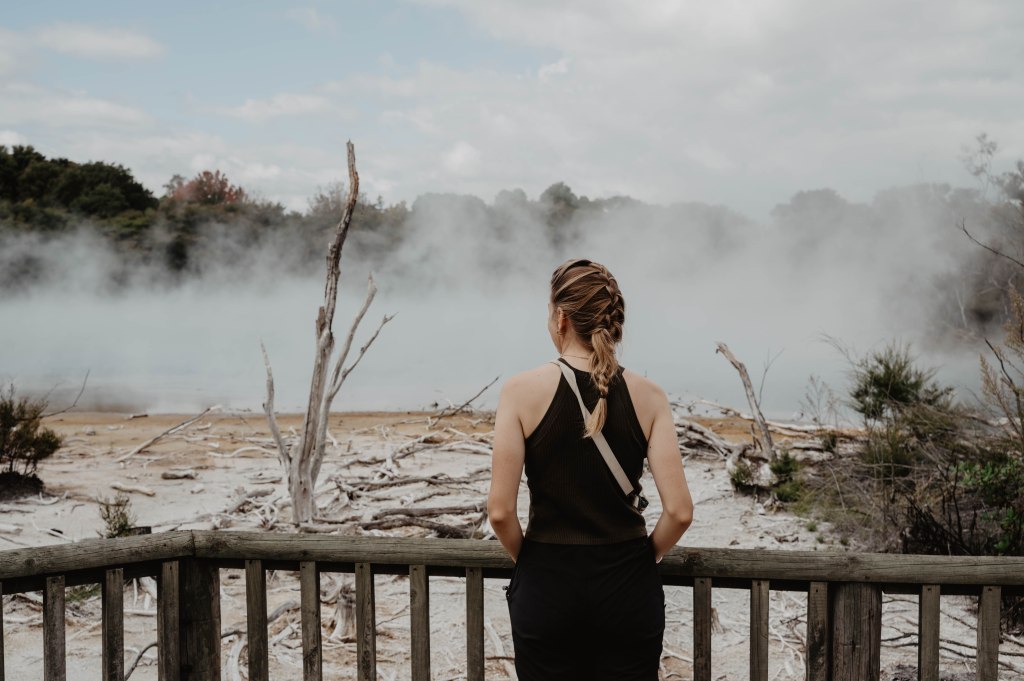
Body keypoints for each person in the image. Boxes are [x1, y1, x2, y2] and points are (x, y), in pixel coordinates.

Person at [487, 258, 694, 681]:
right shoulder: (650, 396)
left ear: (561, 317)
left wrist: (531, 563)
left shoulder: (521, 391)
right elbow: (680, 512)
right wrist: (643, 557)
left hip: (548, 586)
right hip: (627, 587)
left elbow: (500, 512)